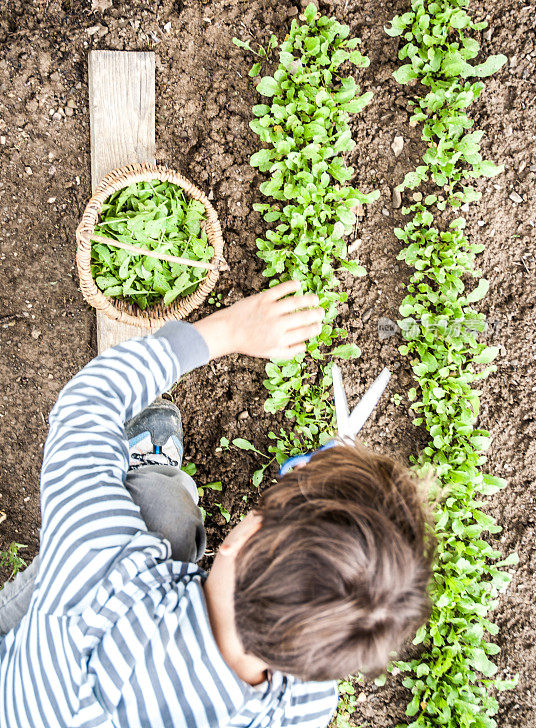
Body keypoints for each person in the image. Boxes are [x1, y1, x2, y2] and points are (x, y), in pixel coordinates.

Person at [0, 281, 433, 728]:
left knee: (159, 507)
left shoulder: (100, 571)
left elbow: (88, 405)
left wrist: (225, 331)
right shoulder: (303, 709)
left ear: (242, 537)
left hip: (21, 684)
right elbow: (345, 602)